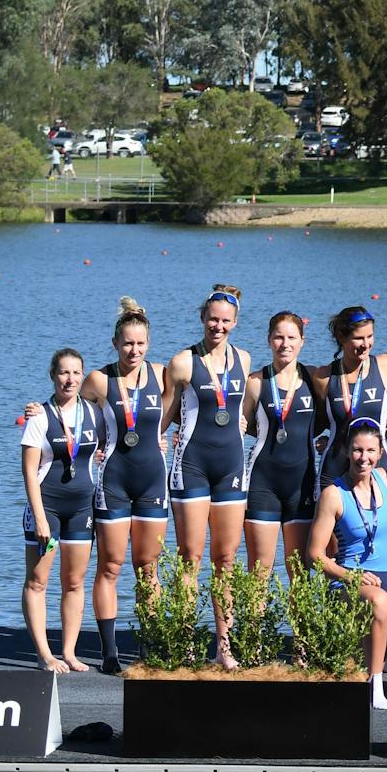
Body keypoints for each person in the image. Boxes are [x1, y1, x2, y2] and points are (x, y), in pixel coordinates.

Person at [163, 284, 251, 668]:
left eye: (225, 321)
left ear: (235, 322)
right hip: (191, 465)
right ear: (202, 318)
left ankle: (224, 648)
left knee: (226, 559)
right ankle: (184, 644)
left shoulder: (245, 360)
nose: (218, 326)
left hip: (231, 465)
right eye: (212, 319)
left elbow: (242, 413)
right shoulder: (182, 362)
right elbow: (163, 416)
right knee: (190, 557)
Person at [84, 297, 169, 673]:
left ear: (148, 345)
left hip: (153, 479)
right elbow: (72, 410)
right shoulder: (99, 379)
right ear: (115, 343)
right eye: (127, 344)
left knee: (148, 568)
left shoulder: (163, 374)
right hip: (114, 479)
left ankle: (150, 647)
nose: (133, 350)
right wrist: (93, 444)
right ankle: (110, 652)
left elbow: (187, 409)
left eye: (140, 344)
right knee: (110, 566)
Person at [21, 348, 104, 673]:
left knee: (74, 581)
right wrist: (40, 517)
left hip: (82, 509)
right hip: (48, 510)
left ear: (82, 376)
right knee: (38, 581)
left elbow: (114, 444)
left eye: (75, 373)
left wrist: (161, 443)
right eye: (63, 373)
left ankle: (68, 652)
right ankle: (44, 655)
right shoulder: (39, 417)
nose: (69, 379)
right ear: (53, 376)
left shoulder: (93, 413)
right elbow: (29, 472)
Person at [307, 419, 387, 708]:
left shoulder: (385, 478)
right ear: (347, 451)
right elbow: (313, 556)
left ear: (381, 452)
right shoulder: (333, 495)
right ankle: (377, 685)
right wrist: (351, 577)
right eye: (358, 450)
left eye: (371, 450)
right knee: (381, 601)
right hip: (351, 581)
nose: (364, 458)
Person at [241, 311, 319, 576]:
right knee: (260, 570)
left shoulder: (313, 378)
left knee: (299, 570)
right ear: (269, 340)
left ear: (302, 341)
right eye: (278, 337)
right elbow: (244, 424)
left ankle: (301, 621)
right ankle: (254, 621)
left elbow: (332, 418)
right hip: (263, 483)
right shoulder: (256, 382)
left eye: (291, 338)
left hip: (303, 483)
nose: (285, 344)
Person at [313, 306, 387, 485]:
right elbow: (320, 421)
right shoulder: (323, 376)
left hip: (377, 468)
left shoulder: (386, 365)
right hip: (334, 467)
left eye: (370, 336)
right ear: (341, 337)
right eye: (359, 338)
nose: (366, 344)